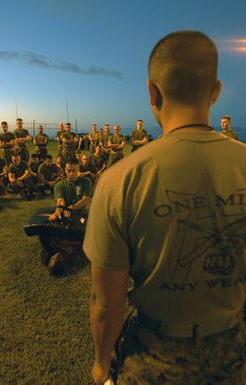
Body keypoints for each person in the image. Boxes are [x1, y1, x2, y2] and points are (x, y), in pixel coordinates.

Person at [83, 30, 246, 385]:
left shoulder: (119, 179)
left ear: (152, 92)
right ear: (215, 91)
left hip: (152, 358)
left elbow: (106, 302)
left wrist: (100, 364)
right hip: (232, 353)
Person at [38, 159, 92, 275]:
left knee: (87, 233)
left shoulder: (85, 181)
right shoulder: (59, 185)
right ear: (64, 170)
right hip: (65, 215)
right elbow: (60, 201)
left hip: (81, 215)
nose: (71, 173)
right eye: (68, 170)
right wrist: (58, 211)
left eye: (74, 170)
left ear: (78, 170)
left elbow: (87, 199)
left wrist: (71, 208)